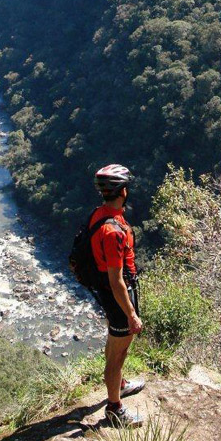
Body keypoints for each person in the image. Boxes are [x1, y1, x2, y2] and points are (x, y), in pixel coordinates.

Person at [89, 163, 146, 427]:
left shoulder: (100, 215)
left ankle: (119, 384)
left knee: (114, 345)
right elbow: (116, 280)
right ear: (122, 191)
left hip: (109, 294)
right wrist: (131, 314)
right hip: (118, 297)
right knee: (118, 355)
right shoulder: (112, 232)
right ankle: (114, 410)